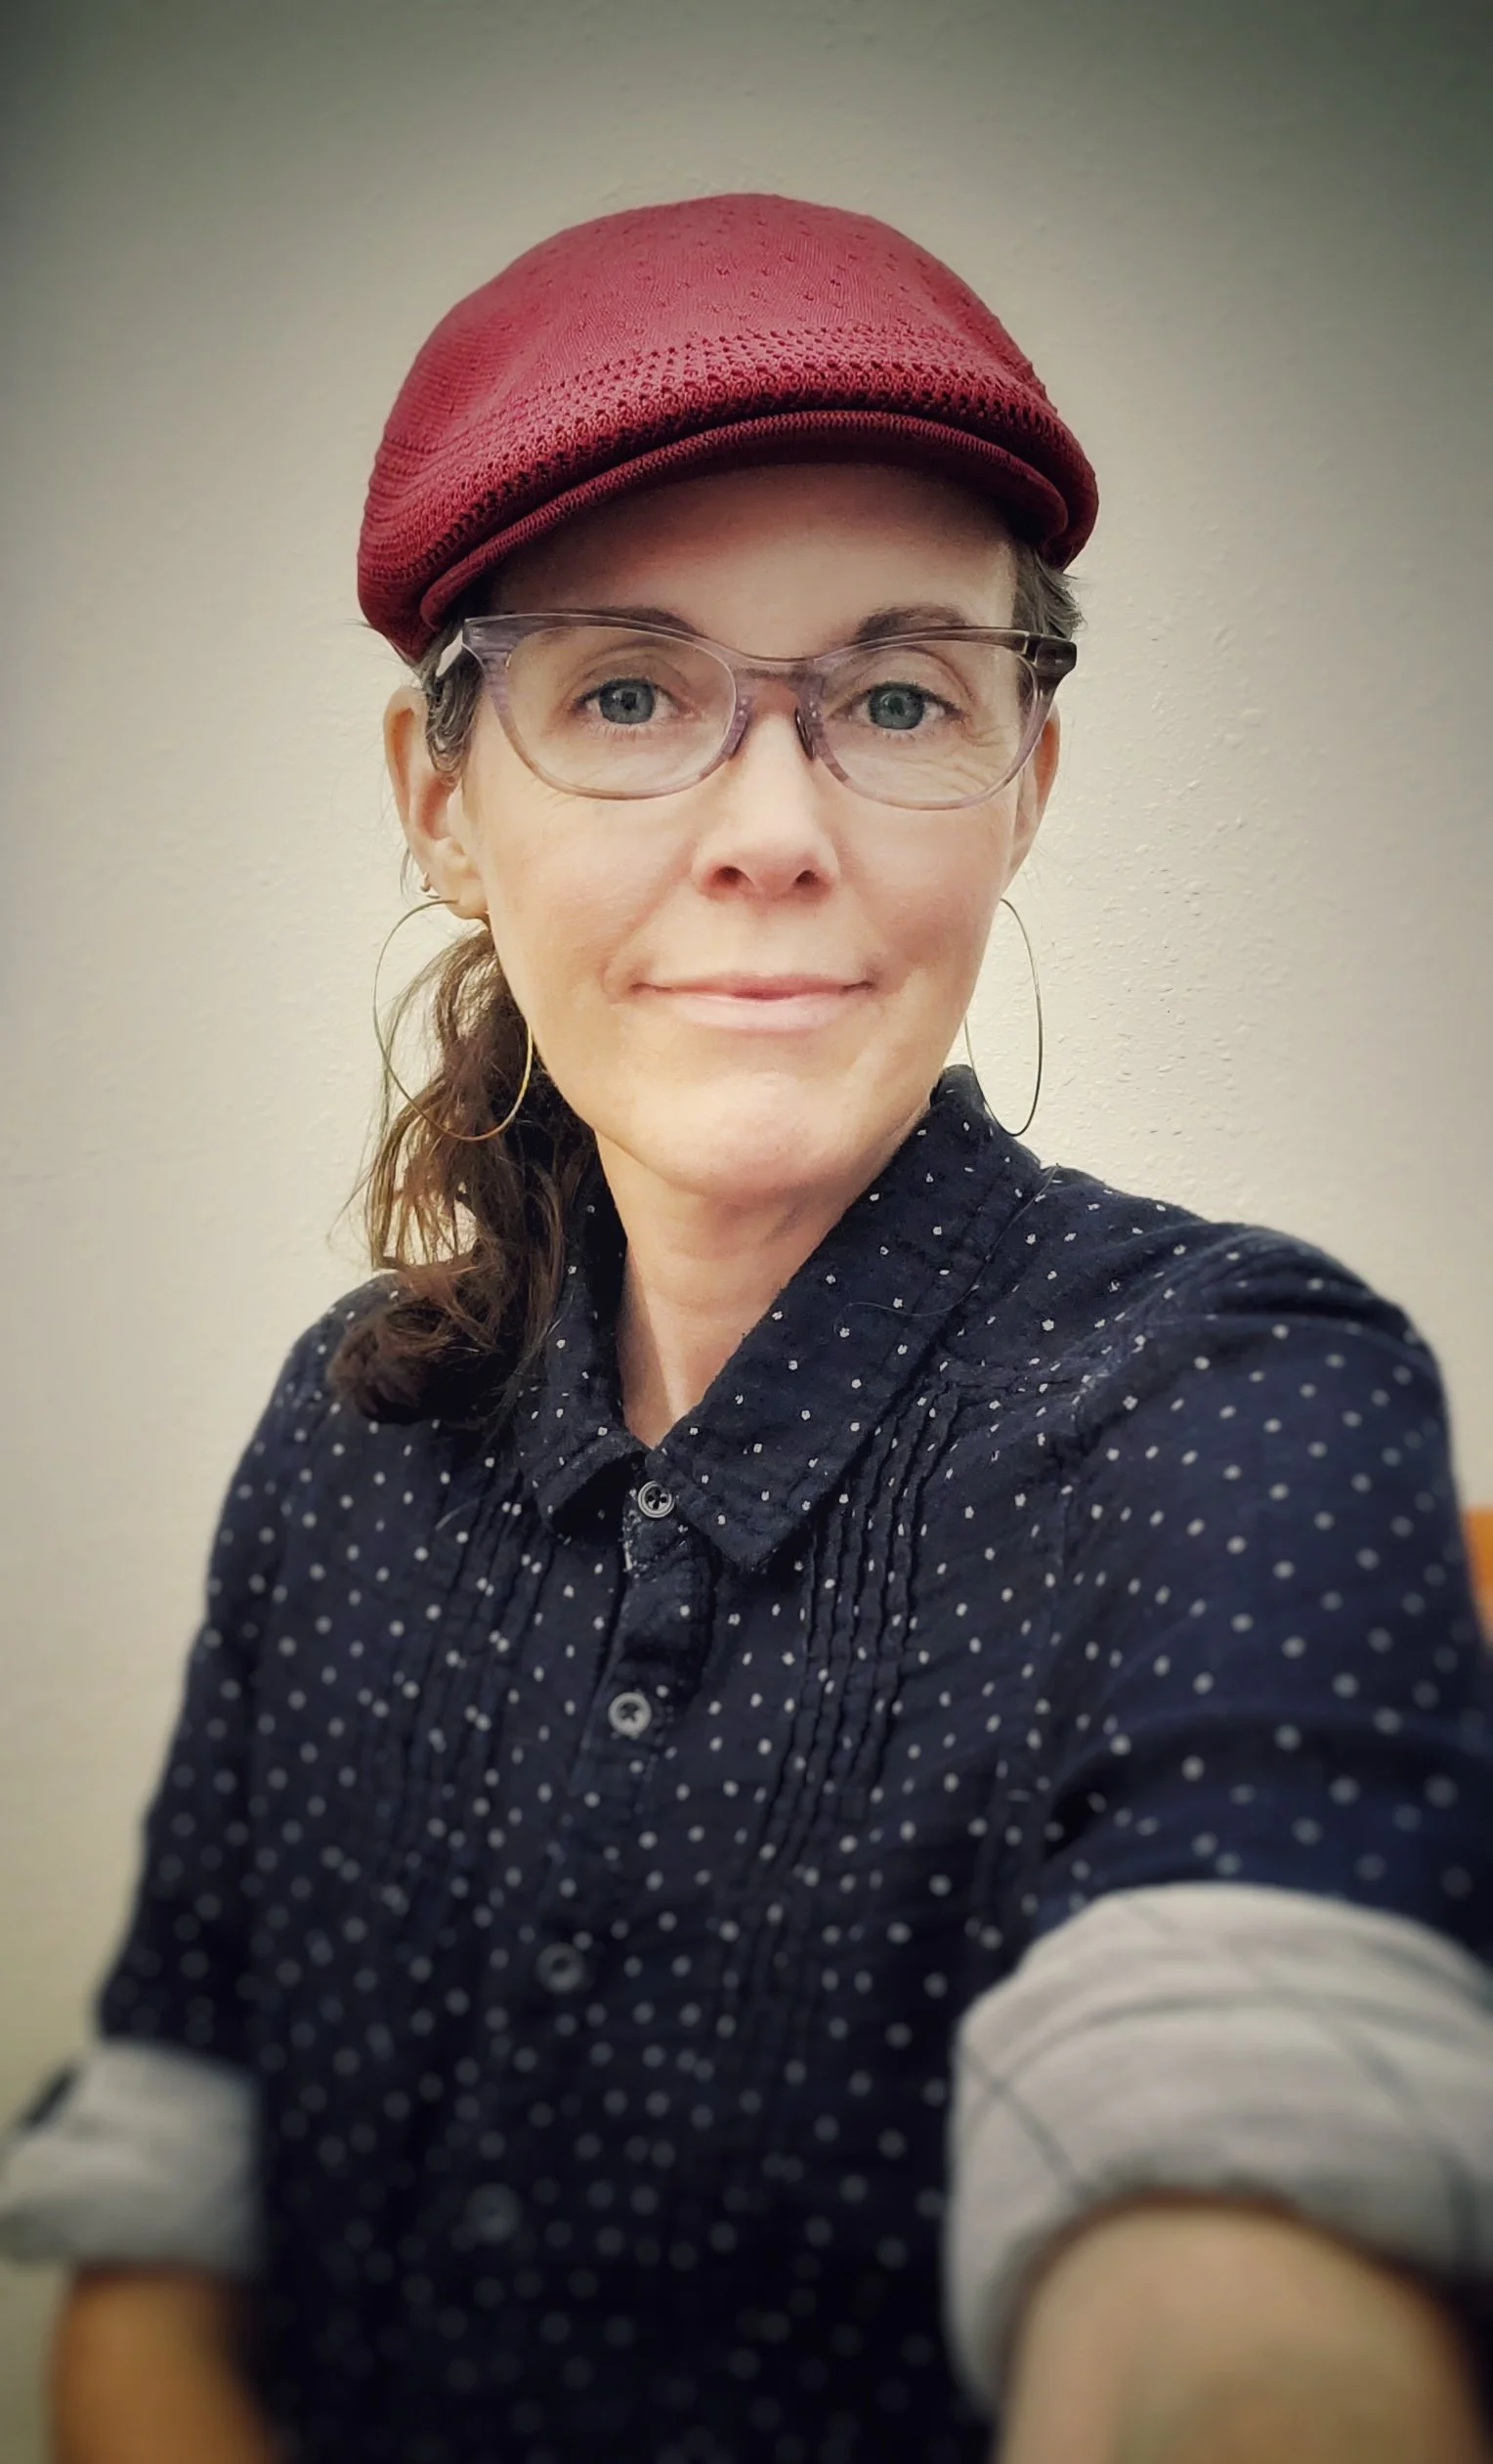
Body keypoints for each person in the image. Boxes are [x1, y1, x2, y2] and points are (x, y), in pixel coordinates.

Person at [1, 192, 1490, 2464]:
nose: (772, 830)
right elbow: (163, 2243)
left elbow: (1243, 2220)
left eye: (894, 696)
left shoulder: (1236, 1404)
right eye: (626, 692)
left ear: (1024, 782)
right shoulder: (346, 1434)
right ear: (439, 798)